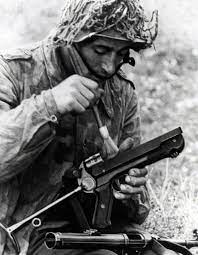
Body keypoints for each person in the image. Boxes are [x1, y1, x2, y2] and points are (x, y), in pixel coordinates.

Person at [0, 0, 178, 254]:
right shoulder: (13, 71)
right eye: (101, 49)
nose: (108, 66)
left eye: (121, 55)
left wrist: (126, 184)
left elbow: (138, 210)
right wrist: (50, 104)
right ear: (72, 38)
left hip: (98, 231)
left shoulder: (121, 92)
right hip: (26, 234)